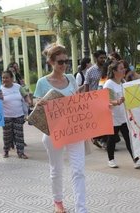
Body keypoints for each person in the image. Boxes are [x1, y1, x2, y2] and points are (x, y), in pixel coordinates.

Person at [34, 43, 87, 213]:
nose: (64, 65)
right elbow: (36, 103)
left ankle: (82, 209)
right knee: (56, 169)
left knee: (79, 170)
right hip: (53, 132)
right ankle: (58, 201)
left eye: (66, 61)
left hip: (74, 130)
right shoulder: (42, 82)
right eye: (60, 62)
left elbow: (78, 102)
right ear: (50, 62)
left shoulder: (71, 78)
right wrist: (39, 103)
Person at [103, 61, 140, 169]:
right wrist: (117, 102)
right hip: (113, 116)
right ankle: (111, 160)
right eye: (121, 69)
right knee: (112, 138)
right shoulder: (109, 84)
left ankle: (136, 160)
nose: (124, 70)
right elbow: (107, 100)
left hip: (123, 116)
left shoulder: (122, 82)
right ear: (114, 71)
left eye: (124, 68)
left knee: (129, 138)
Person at [0, 70, 28, 159]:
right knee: (7, 135)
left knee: (19, 135)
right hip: (6, 116)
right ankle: (6, 151)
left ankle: (21, 152)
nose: (5, 79)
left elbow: (25, 95)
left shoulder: (18, 87)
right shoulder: (0, 89)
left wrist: (29, 101)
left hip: (19, 115)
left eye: (7, 77)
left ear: (12, 78)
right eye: (3, 78)